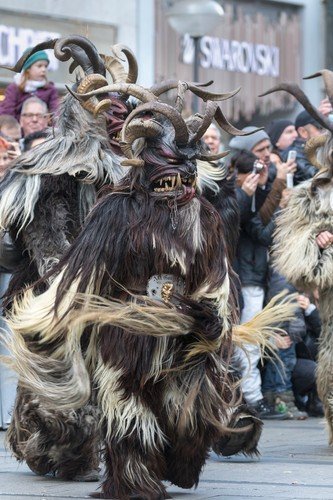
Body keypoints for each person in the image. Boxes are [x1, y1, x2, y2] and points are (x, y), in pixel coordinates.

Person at [0, 49, 59, 121]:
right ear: (28, 68)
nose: (44, 69)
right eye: (39, 66)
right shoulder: (14, 88)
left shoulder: (50, 89)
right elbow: (7, 113)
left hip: (42, 130)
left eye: (45, 66)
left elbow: (56, 112)